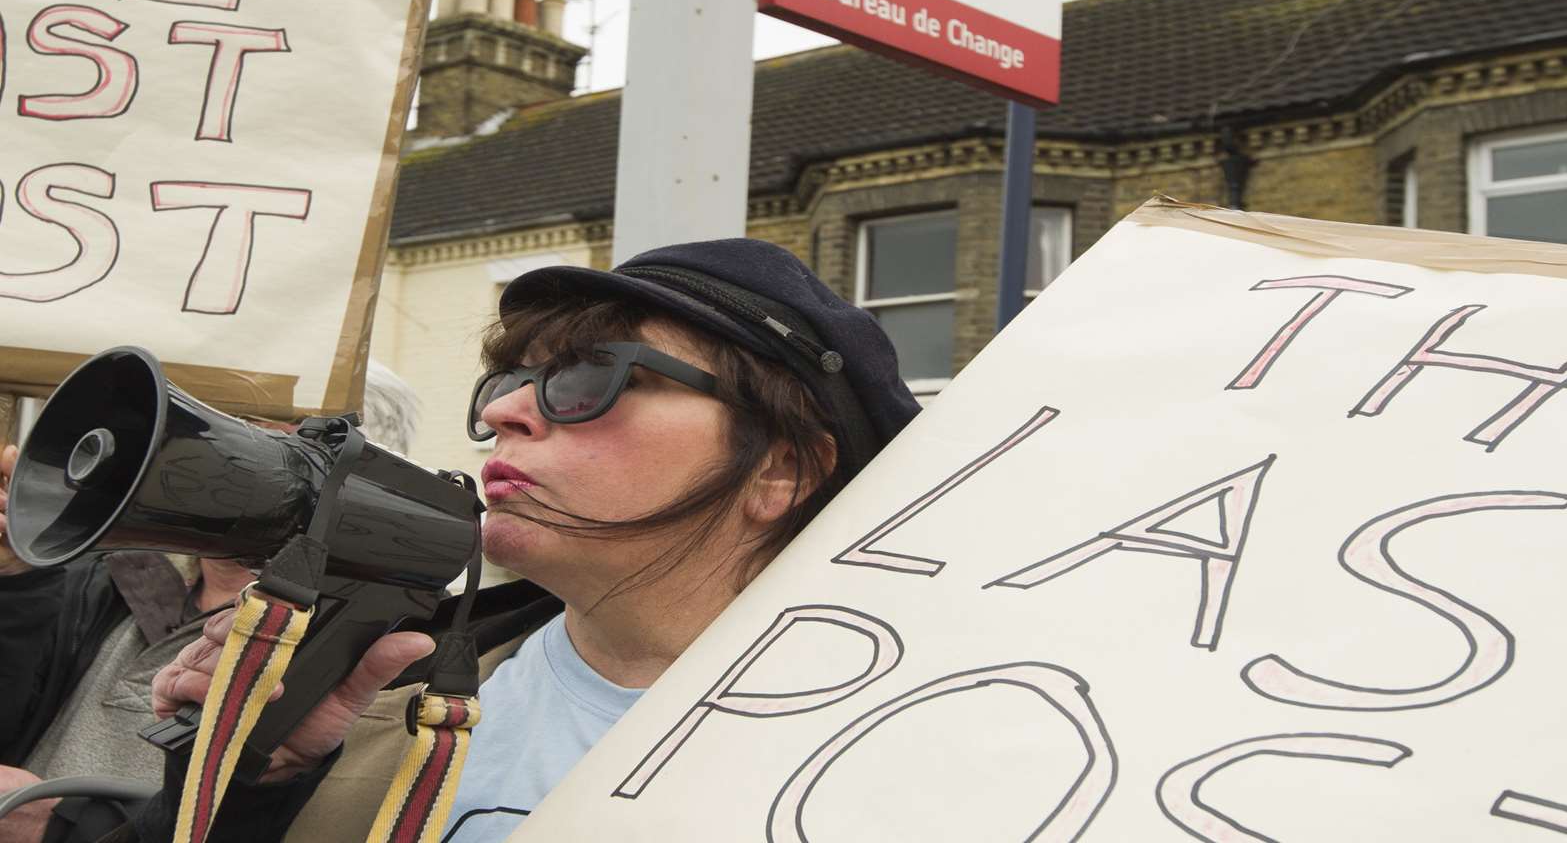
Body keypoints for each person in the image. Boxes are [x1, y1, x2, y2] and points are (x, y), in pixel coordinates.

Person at [118, 239, 919, 842]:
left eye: (589, 378)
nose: (506, 414)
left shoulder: (918, 752)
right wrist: (256, 783)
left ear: (780, 470)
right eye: (510, 381)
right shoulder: (388, 691)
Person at [0, 363, 425, 843]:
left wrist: (66, 825)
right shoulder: (106, 580)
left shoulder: (391, 649)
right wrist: (16, 580)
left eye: (260, 429)